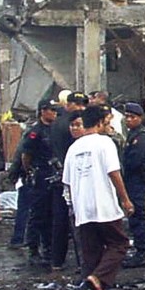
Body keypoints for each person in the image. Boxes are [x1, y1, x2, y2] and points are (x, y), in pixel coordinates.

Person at [62, 105, 134, 290]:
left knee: (92, 251)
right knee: (119, 244)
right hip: (104, 205)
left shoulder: (74, 147)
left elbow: (66, 182)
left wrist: (72, 205)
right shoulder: (105, 143)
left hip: (82, 208)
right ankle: (99, 277)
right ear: (101, 122)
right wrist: (125, 199)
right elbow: (114, 173)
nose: (109, 126)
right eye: (108, 122)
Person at [47, 91, 87, 270]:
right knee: (79, 221)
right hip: (76, 177)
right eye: (79, 104)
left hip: (59, 176)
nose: (81, 108)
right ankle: (84, 263)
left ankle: (57, 260)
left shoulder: (56, 123)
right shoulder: (78, 124)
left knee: (60, 221)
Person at [20, 99, 59, 267]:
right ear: (43, 111)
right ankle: (33, 248)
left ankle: (49, 247)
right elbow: (25, 155)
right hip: (40, 175)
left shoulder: (56, 130)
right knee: (38, 213)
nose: (54, 113)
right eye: (51, 110)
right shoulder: (35, 132)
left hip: (54, 175)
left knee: (52, 213)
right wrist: (30, 171)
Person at [121, 103, 145, 268]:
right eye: (127, 117)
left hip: (138, 181)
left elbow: (134, 161)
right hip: (134, 180)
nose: (129, 120)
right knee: (134, 216)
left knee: (138, 215)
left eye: (132, 117)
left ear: (139, 118)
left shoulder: (141, 136)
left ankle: (142, 253)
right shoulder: (133, 134)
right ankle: (140, 250)